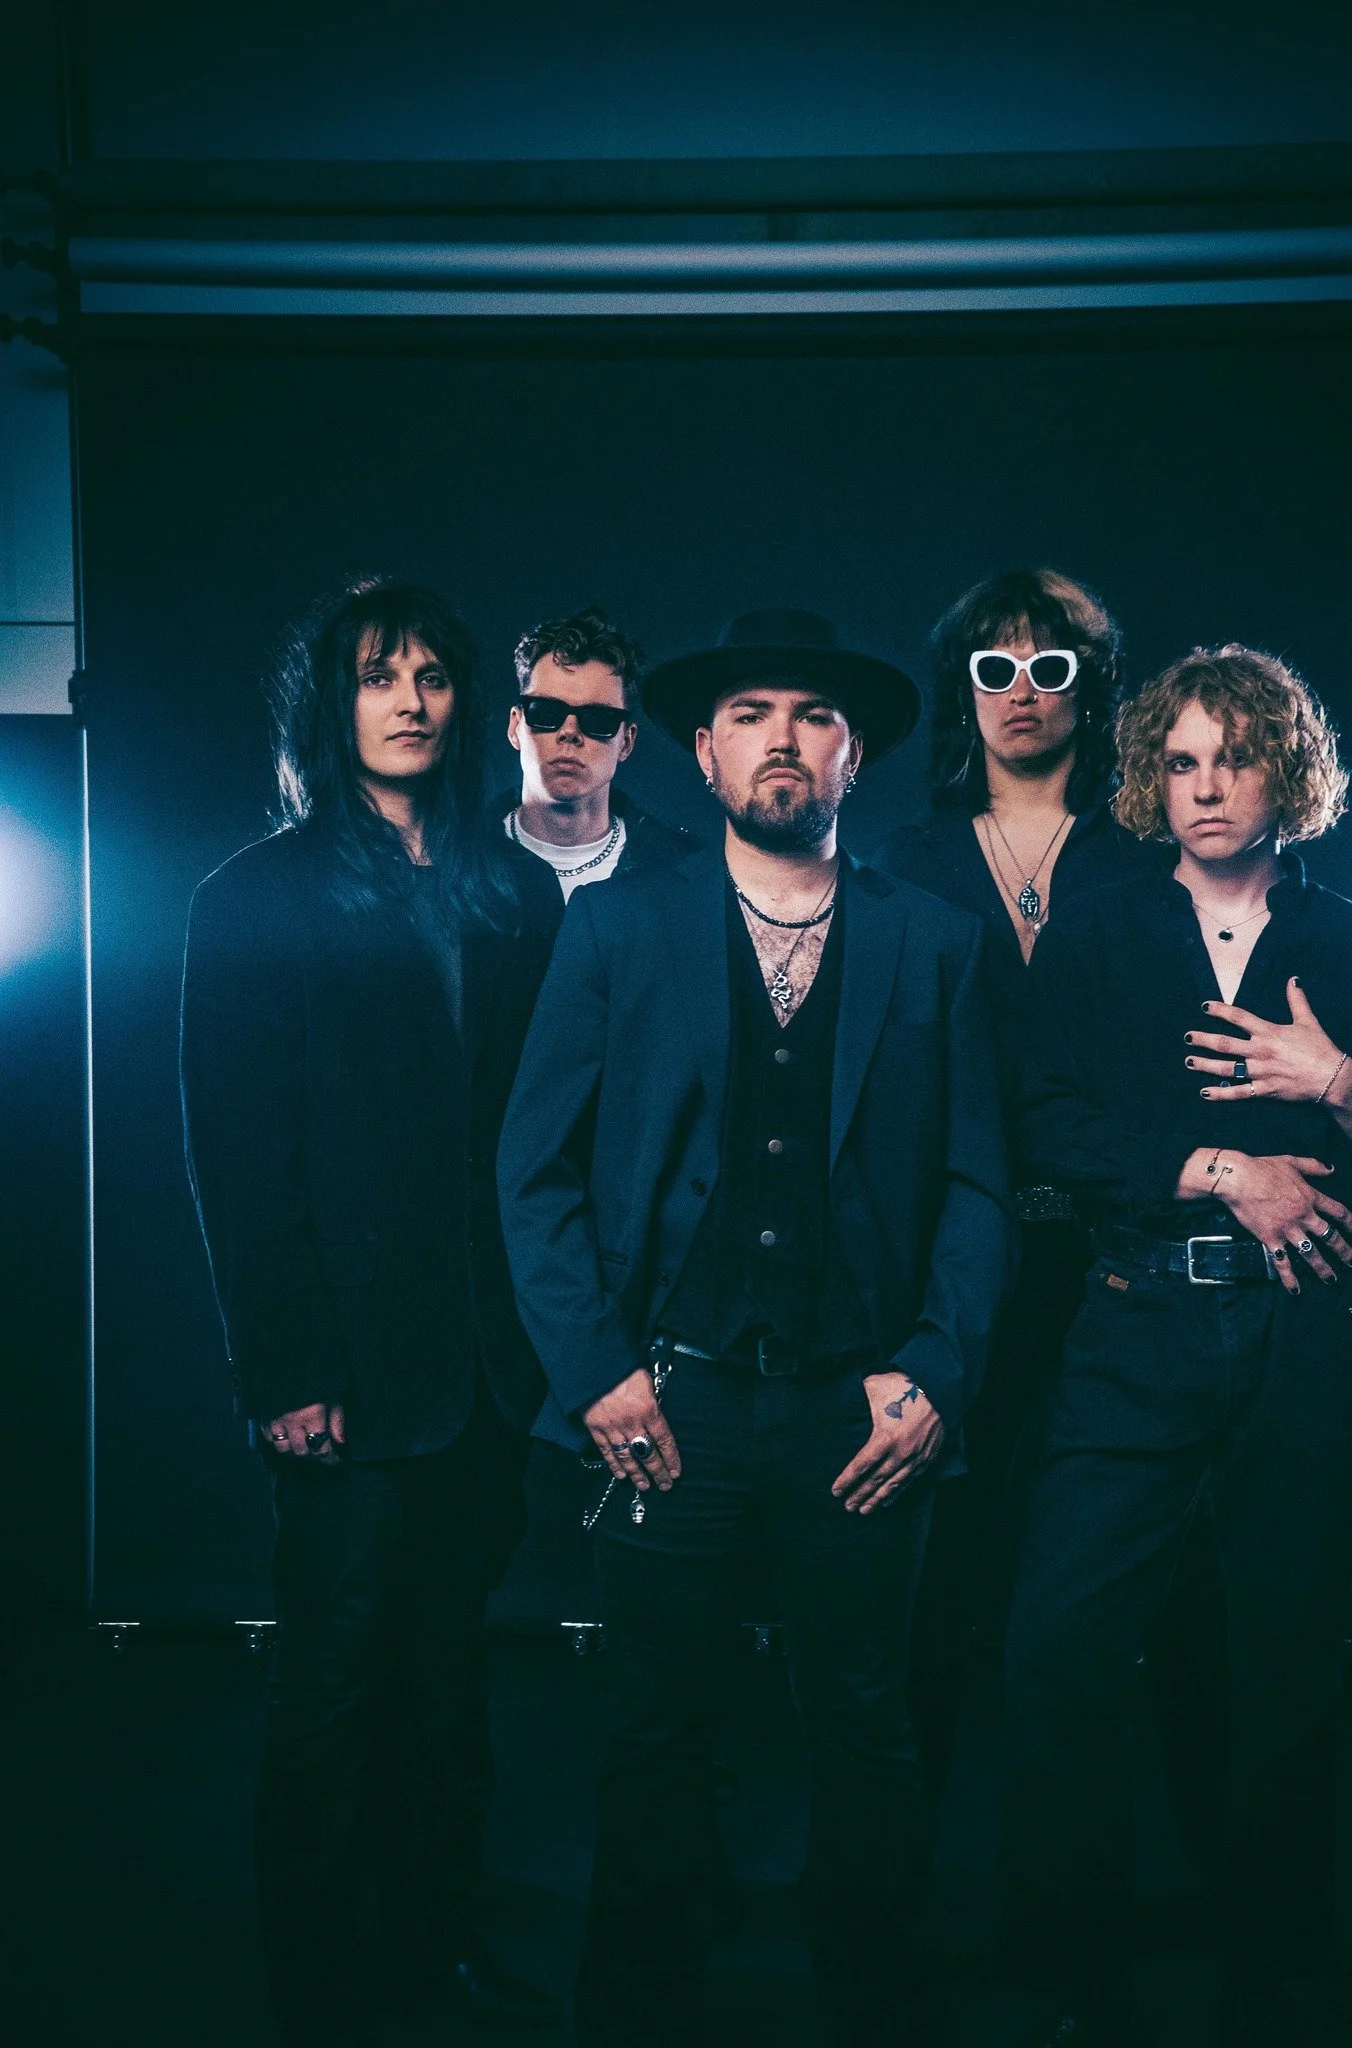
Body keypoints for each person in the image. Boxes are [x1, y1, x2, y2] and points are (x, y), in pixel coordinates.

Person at [498, 610, 1016, 2046]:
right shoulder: (618, 927)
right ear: (704, 751)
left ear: (854, 755)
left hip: (864, 1405)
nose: (781, 738)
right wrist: (595, 1370)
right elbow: (533, 1170)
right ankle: (637, 2013)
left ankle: (879, 2010)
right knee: (653, 1723)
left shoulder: (935, 942)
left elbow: (981, 1186)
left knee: (866, 1720)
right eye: (749, 714)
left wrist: (937, 1371)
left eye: (812, 715)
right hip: (669, 1400)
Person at [1001, 644, 1352, 2045]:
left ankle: (1272, 1973)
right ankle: (1075, 1974)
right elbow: (1041, 1119)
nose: (1208, 787)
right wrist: (1220, 1167)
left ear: (1288, 773)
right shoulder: (1097, 934)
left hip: (1307, 1330)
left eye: (1237, 758)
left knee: (1284, 1664)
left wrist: (1345, 1085)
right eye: (1183, 761)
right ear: (1155, 778)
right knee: (1060, 1649)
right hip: (1135, 1316)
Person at [180, 579, 565, 2046]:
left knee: (448, 1669)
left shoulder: (514, 889)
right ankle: (323, 1984)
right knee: (335, 1679)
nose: (408, 700)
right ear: (329, 705)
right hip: (340, 1369)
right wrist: (282, 1368)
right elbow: (238, 1156)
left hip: (486, 1366)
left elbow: (535, 1141)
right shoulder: (253, 896)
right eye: (375, 675)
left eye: (431, 676)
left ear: (465, 703)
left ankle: (436, 1941)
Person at [875, 566, 1162, 1789]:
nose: (1023, 689)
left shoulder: (1149, 855)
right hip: (952, 1257)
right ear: (966, 688)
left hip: (1120, 1258)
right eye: (996, 667)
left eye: (1052, 665)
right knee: (934, 1570)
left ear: (1091, 687)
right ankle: (902, 1859)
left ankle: (1070, 1870)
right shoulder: (908, 860)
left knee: (1094, 1585)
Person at [494, 603, 693, 893]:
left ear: (626, 741)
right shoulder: (455, 857)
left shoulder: (683, 867)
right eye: (546, 712)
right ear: (515, 727)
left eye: (598, 719)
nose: (570, 732)